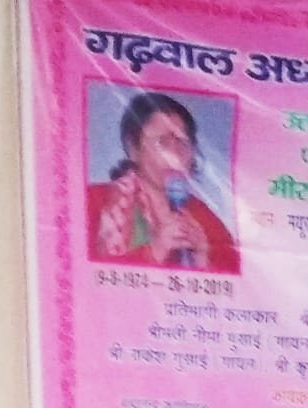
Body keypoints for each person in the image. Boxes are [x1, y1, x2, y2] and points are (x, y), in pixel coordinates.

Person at [88, 91, 239, 273]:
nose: (174, 154)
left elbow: (242, 282)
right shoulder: (93, 201)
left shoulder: (204, 218)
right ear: (133, 149)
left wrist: (202, 257)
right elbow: (82, 276)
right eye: (163, 142)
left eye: (182, 143)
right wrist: (155, 251)